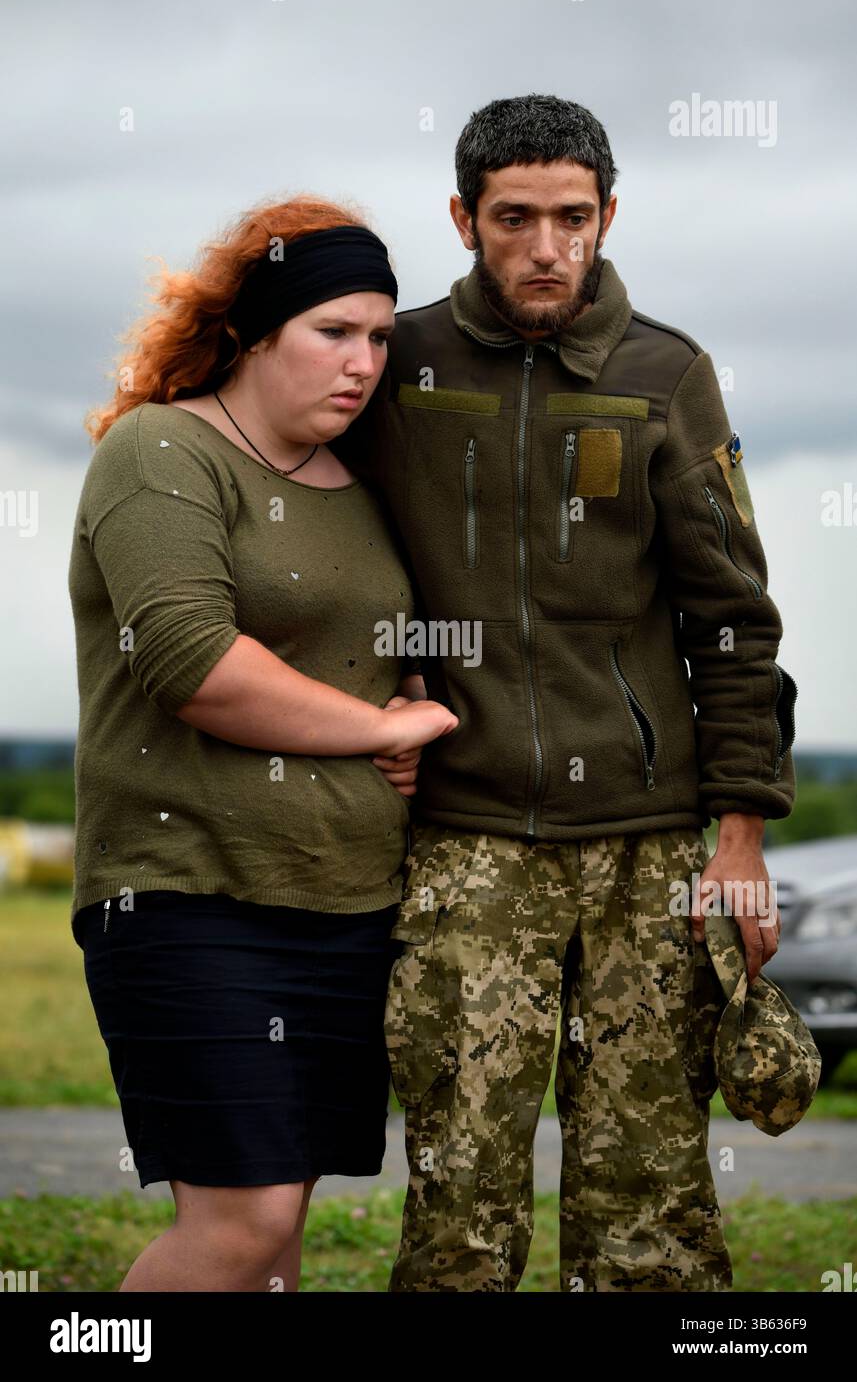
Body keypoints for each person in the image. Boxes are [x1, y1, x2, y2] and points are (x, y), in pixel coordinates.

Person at [330, 94, 798, 1292]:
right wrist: (386, 695)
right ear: (463, 218)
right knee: (458, 1205)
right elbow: (331, 557)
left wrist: (735, 840)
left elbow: (734, 624)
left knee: (647, 1213)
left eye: (572, 218)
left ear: (607, 215)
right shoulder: (403, 363)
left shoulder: (667, 373)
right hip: (464, 840)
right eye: (514, 218)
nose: (547, 247)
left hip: (645, 846)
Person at [68, 195, 457, 1293]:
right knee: (239, 1225)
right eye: (332, 330)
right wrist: (380, 725)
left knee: (278, 1237)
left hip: (344, 904)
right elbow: (193, 663)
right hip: (189, 895)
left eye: (380, 337)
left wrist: (417, 705)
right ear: (251, 330)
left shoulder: (368, 486)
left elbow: (392, 646)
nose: (363, 361)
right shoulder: (161, 450)